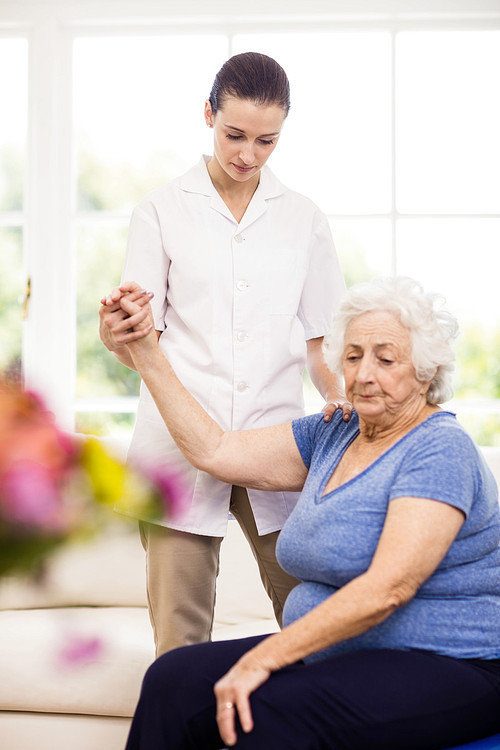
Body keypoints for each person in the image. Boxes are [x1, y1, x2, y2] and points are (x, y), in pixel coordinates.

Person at [110, 276, 499, 750]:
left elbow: (388, 589)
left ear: (425, 371)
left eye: (386, 358)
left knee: (264, 713)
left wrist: (265, 657)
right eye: (353, 356)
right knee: (175, 678)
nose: (364, 374)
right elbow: (216, 451)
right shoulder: (335, 433)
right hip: (349, 655)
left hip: (453, 663)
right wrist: (147, 352)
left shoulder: (439, 448)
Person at [99, 51, 348, 657]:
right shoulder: (159, 211)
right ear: (208, 114)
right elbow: (137, 345)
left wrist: (338, 396)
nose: (248, 154)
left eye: (267, 141)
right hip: (177, 445)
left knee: (316, 632)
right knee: (179, 646)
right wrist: (115, 333)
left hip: (275, 444)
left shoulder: (304, 220)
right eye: (234, 134)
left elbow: (323, 344)